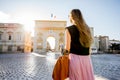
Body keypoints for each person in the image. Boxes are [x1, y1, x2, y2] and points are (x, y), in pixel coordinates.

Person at [64, 9, 95, 80]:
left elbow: (67, 48)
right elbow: (89, 45)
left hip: (74, 59)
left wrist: (64, 58)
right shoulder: (87, 29)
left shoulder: (69, 29)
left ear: (71, 17)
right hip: (87, 59)